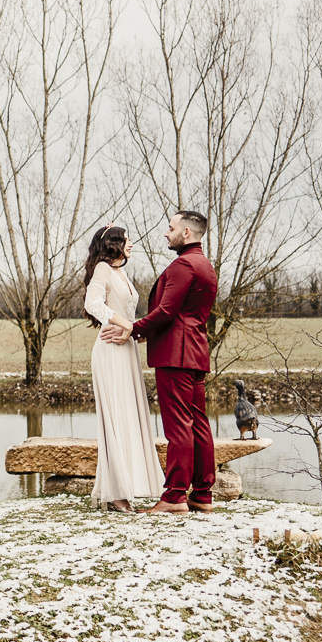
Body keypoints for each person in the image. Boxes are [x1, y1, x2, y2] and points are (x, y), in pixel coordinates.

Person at [104, 210, 217, 514]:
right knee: (199, 425)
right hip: (195, 353)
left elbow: (167, 311)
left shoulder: (183, 265)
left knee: (178, 426)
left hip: (175, 354)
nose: (166, 234)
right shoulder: (205, 265)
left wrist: (133, 329)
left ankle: (174, 496)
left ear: (187, 234)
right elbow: (184, 314)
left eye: (171, 228)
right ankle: (202, 495)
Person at [82, 225, 164, 512]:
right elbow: (93, 303)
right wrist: (122, 324)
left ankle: (128, 487)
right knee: (116, 418)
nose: (131, 244)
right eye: (127, 240)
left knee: (130, 416)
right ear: (114, 243)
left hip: (126, 350)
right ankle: (116, 494)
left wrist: (134, 331)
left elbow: (126, 311)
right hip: (109, 352)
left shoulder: (121, 272)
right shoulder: (103, 269)